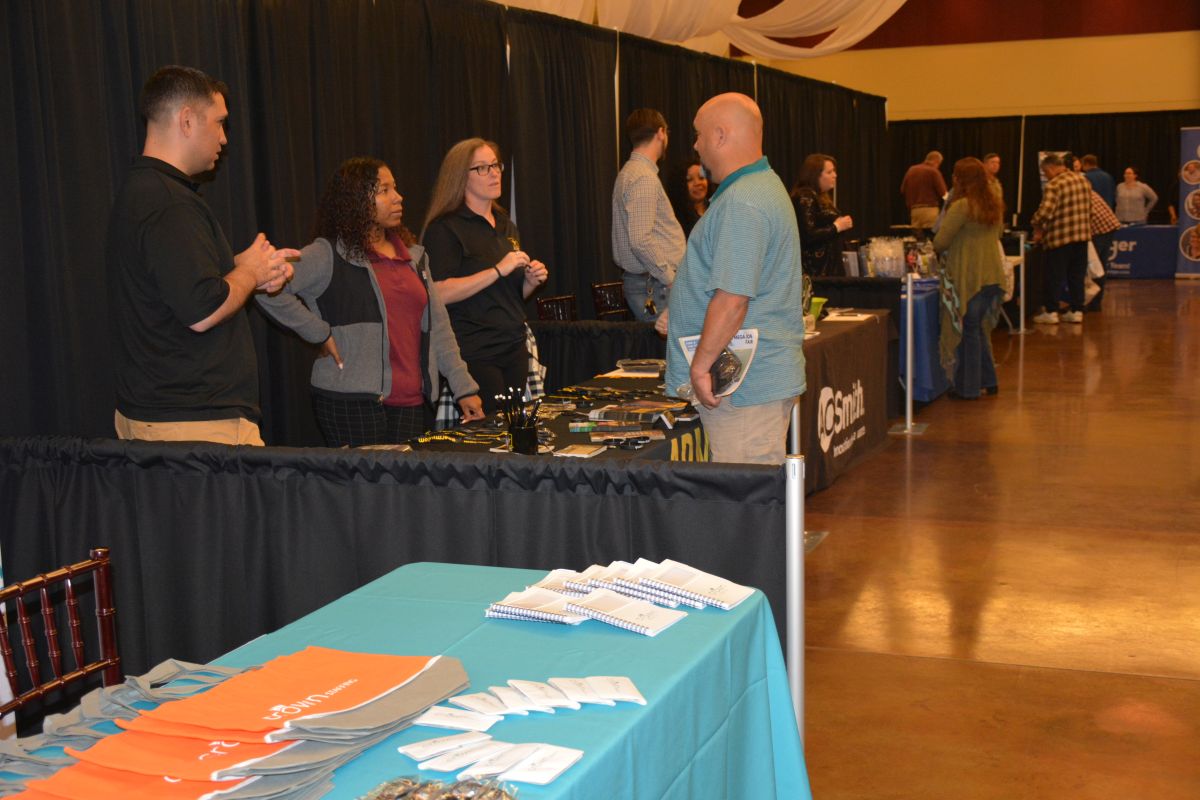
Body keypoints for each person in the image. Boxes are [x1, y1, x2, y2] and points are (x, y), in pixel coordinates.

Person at [108, 65, 297, 446]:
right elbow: (202, 310)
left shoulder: (144, 191)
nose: (224, 138)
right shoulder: (168, 203)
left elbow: (174, 291)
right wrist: (251, 274)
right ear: (187, 120)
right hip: (194, 428)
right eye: (220, 123)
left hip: (173, 421)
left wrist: (245, 269)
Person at [255, 158, 484, 447]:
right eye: (384, 190)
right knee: (363, 477)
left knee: (400, 477)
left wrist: (464, 387)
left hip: (410, 400)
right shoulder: (328, 255)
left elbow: (439, 327)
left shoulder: (415, 258)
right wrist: (319, 332)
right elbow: (263, 285)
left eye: (395, 188)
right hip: (350, 398)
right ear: (356, 201)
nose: (398, 197)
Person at [665, 93, 804, 465]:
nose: (696, 146)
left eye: (699, 135)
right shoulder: (758, 188)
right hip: (748, 385)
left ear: (720, 135)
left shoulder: (743, 200)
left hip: (742, 391)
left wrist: (700, 366)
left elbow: (733, 299)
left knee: (744, 496)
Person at [421, 138, 549, 413]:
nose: (493, 173)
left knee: (515, 425)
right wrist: (497, 270)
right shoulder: (445, 229)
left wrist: (529, 282)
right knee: (488, 430)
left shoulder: (506, 225)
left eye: (495, 165)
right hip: (475, 350)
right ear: (461, 177)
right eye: (482, 168)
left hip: (513, 345)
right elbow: (438, 293)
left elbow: (509, 295)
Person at [932, 158, 1006, 399]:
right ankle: (989, 380)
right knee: (978, 329)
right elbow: (999, 233)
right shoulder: (993, 204)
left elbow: (940, 242)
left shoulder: (962, 206)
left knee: (969, 332)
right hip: (992, 275)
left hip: (970, 276)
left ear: (959, 179)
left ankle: (968, 388)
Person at [611, 108, 686, 322]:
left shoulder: (630, 172)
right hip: (656, 285)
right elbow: (640, 240)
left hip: (650, 283)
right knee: (669, 342)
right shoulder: (643, 177)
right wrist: (669, 278)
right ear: (661, 133)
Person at [1030, 153, 1092, 325]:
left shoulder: (1054, 185)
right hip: (1082, 236)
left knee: (1054, 276)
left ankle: (1051, 311)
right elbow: (1090, 209)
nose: (1046, 176)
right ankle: (1077, 310)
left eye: (1045, 172)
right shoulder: (1083, 180)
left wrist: (1034, 223)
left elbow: (1045, 212)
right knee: (1076, 276)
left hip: (1060, 238)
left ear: (1051, 168)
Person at [790, 153, 853, 282]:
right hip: (816, 273)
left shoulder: (819, 197)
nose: (835, 175)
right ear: (815, 175)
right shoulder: (805, 196)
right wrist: (837, 226)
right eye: (829, 172)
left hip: (826, 270)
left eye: (834, 171)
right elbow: (808, 235)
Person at [1087, 187, 1121, 310]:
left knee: (1094, 268)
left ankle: (1091, 302)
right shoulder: (1088, 190)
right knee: (1099, 267)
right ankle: (1095, 303)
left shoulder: (1078, 194)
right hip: (1108, 227)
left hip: (1099, 230)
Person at [900, 150, 947, 229]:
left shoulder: (911, 170)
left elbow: (902, 190)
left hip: (914, 211)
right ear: (937, 161)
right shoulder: (934, 171)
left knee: (917, 236)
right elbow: (944, 194)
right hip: (930, 210)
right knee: (929, 235)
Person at [665, 155, 711, 237]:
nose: (697, 183)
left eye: (701, 177)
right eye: (689, 180)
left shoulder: (717, 208)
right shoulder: (676, 219)